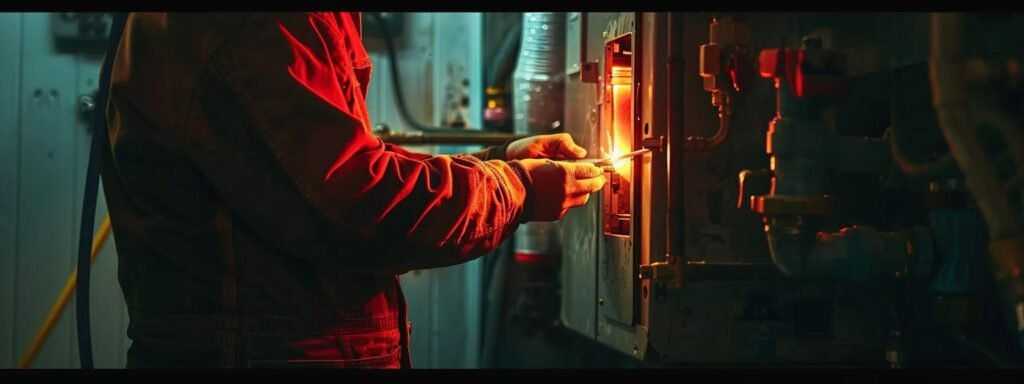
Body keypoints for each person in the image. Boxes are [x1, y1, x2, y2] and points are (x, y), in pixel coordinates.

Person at [99, 12, 605, 368]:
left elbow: (329, 166)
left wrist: (498, 167)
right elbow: (352, 201)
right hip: (270, 355)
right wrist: (512, 190)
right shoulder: (255, 23)